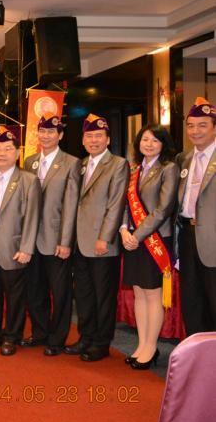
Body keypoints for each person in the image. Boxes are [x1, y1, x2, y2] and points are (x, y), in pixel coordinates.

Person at [65, 114, 129, 362]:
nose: (94, 140)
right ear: (83, 140)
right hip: (80, 242)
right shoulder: (80, 165)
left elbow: (116, 204)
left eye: (99, 136)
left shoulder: (118, 164)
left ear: (108, 139)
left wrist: (105, 237)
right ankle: (86, 337)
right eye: (89, 136)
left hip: (102, 244)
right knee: (83, 294)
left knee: (104, 296)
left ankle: (101, 343)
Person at [0, 127, 40, 356]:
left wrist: (26, 247)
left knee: (14, 295)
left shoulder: (28, 180)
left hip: (14, 246)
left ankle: (12, 337)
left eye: (8, 149)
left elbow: (33, 216)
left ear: (18, 153)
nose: (2, 153)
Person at [119, 124, 178, 370]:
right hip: (132, 240)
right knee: (139, 293)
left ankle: (151, 347)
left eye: (155, 140)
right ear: (138, 143)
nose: (149, 144)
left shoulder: (169, 168)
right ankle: (142, 344)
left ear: (163, 144)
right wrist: (124, 229)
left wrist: (137, 235)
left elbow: (163, 209)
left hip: (155, 240)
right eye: (145, 139)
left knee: (153, 294)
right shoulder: (134, 170)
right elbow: (125, 205)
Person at [22, 113, 81, 356]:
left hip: (56, 240)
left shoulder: (71, 163)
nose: (45, 136)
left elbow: (71, 204)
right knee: (35, 289)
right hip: (31, 240)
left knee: (60, 292)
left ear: (60, 135)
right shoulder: (30, 162)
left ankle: (57, 339)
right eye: (42, 131)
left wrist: (65, 241)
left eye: (51, 132)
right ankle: (40, 332)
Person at [177, 97, 216, 335]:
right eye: (190, 125)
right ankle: (198, 353)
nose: (195, 131)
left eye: (202, 125)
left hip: (212, 238)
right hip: (186, 236)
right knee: (192, 301)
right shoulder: (184, 159)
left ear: (214, 128)